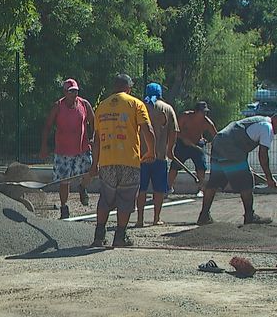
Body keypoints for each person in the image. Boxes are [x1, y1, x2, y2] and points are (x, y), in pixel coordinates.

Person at [88, 74, 155, 247]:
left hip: (107, 161)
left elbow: (96, 140)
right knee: (125, 199)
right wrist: (151, 152)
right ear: (128, 88)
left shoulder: (101, 107)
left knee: (105, 199)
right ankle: (119, 237)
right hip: (129, 161)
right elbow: (147, 129)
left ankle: (99, 236)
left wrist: (94, 165)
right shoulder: (136, 104)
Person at [196, 111, 277, 225]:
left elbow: (241, 139)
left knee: (214, 182)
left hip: (219, 142)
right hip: (230, 149)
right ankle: (249, 216)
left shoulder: (259, 121)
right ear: (276, 120)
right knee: (246, 182)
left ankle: (204, 216)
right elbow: (263, 155)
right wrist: (269, 178)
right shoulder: (267, 127)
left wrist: (245, 165)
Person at [40, 78, 95, 219]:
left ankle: (82, 188)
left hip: (82, 149)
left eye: (75, 91)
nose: (74, 94)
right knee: (64, 182)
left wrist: (92, 136)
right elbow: (47, 126)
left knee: (91, 171)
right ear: (65, 92)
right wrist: (44, 146)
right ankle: (64, 207)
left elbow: (92, 120)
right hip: (63, 151)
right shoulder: (58, 106)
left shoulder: (84, 104)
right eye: (71, 92)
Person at [136, 83, 179, 227]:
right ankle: (156, 218)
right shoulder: (167, 108)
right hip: (160, 156)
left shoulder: (140, 106)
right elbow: (174, 131)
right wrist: (170, 149)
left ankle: (140, 219)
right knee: (159, 189)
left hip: (142, 155)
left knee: (141, 189)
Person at [168, 101, 218, 197]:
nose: (204, 114)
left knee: (201, 167)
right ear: (196, 111)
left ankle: (201, 189)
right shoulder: (185, 117)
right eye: (202, 112)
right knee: (175, 166)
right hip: (183, 144)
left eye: (206, 112)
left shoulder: (207, 122)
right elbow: (175, 131)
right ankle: (168, 187)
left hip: (197, 145)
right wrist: (183, 138)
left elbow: (216, 135)